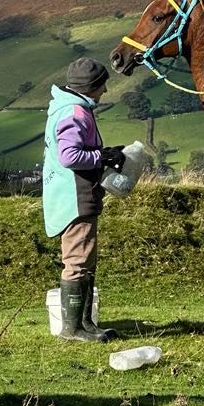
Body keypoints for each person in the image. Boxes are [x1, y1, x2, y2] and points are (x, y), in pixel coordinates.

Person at [42, 57, 127, 343]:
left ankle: (86, 323)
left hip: (75, 193)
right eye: (102, 85)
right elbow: (70, 157)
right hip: (75, 196)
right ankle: (72, 330)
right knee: (78, 260)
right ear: (91, 87)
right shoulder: (75, 112)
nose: (104, 91)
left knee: (85, 260)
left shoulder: (66, 107)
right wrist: (101, 157)